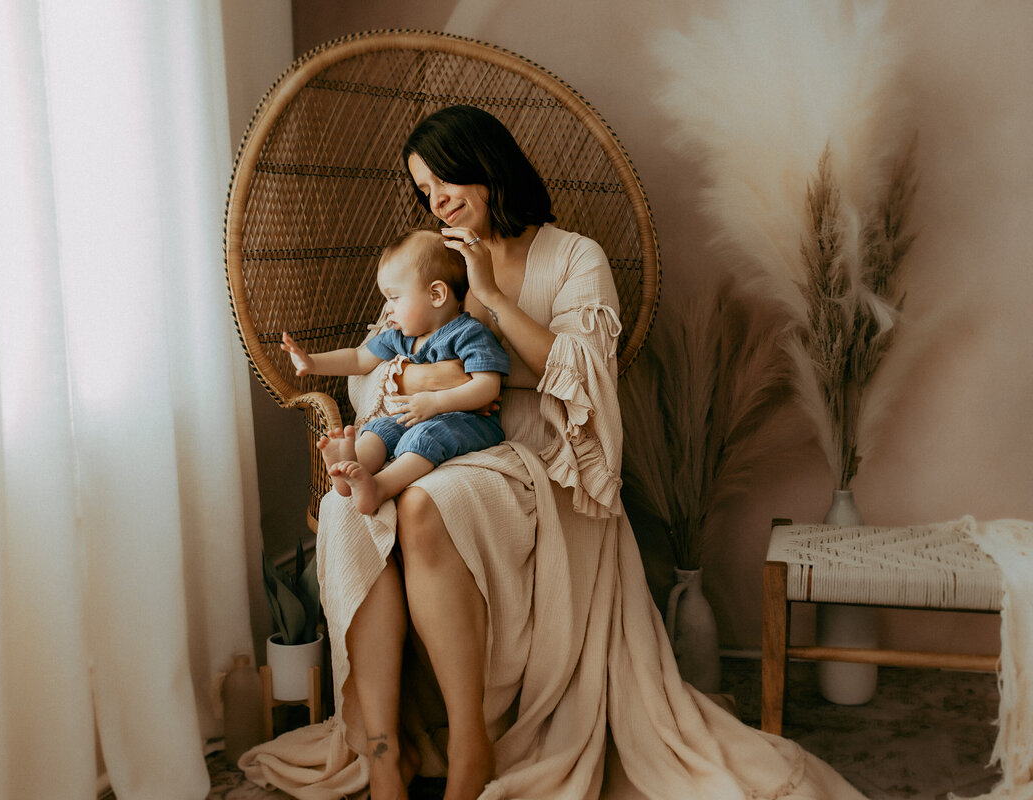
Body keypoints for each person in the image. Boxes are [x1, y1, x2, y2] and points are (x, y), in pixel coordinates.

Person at [240, 104, 862, 800]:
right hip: (442, 448)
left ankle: (472, 746)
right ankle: (384, 751)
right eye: (424, 189)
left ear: (487, 165)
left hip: (540, 462)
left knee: (420, 505)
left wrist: (492, 299)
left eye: (446, 178)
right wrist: (436, 378)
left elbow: (582, 378)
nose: (437, 198)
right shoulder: (431, 258)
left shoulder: (573, 257)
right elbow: (378, 376)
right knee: (352, 510)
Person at [279, 229, 510, 516]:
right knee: (381, 429)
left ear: (436, 294)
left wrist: (436, 403)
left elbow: (488, 388)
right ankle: (352, 470)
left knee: (424, 435)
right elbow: (358, 358)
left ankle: (380, 487)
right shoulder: (401, 335)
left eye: (395, 297)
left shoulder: (469, 334)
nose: (388, 310)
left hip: (468, 423)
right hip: (416, 416)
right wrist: (312, 362)